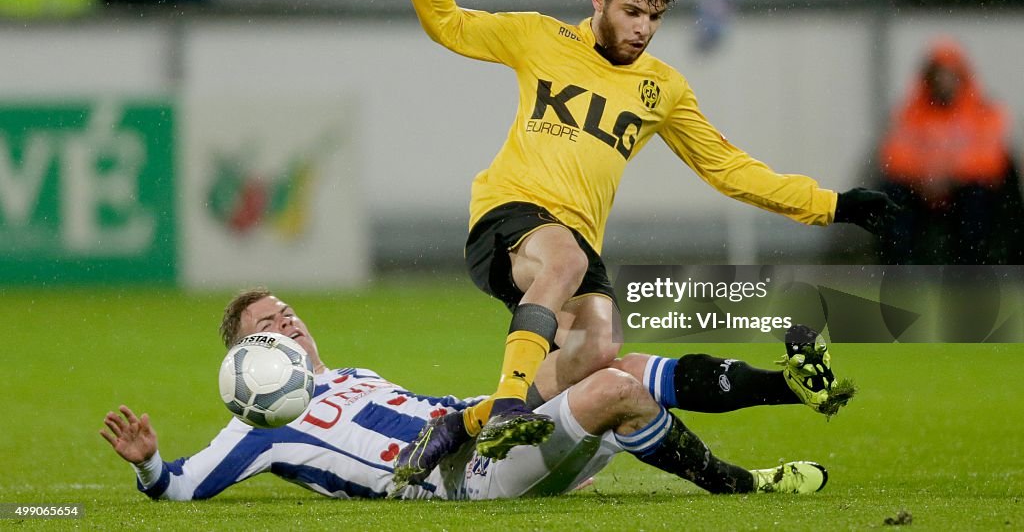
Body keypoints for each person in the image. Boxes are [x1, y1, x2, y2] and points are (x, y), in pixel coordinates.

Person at [393, 0, 893, 475]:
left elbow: (729, 169)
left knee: (598, 353)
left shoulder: (664, 89)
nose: (642, 28)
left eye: (654, 17)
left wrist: (831, 204)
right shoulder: (538, 37)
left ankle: (462, 423)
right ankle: (504, 410)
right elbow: (447, 22)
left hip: (576, 239)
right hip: (510, 215)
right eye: (632, 11)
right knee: (565, 264)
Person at [100, 289, 844, 501]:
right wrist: (148, 462)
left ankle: (791, 387)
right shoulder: (262, 424)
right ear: (250, 353)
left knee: (608, 350)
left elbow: (437, 410)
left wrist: (490, 408)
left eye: (286, 309)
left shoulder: (350, 374)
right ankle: (745, 485)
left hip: (482, 428)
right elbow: (179, 487)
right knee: (615, 388)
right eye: (268, 322)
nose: (288, 318)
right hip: (466, 478)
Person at [878, 38, 1023, 264]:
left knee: (977, 198)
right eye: (938, 74)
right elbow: (894, 157)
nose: (944, 82)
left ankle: (971, 268)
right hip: (921, 191)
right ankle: (899, 270)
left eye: (950, 74)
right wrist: (925, 177)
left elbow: (992, 160)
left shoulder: (982, 111)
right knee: (892, 195)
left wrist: (951, 174)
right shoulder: (910, 113)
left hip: (963, 191)